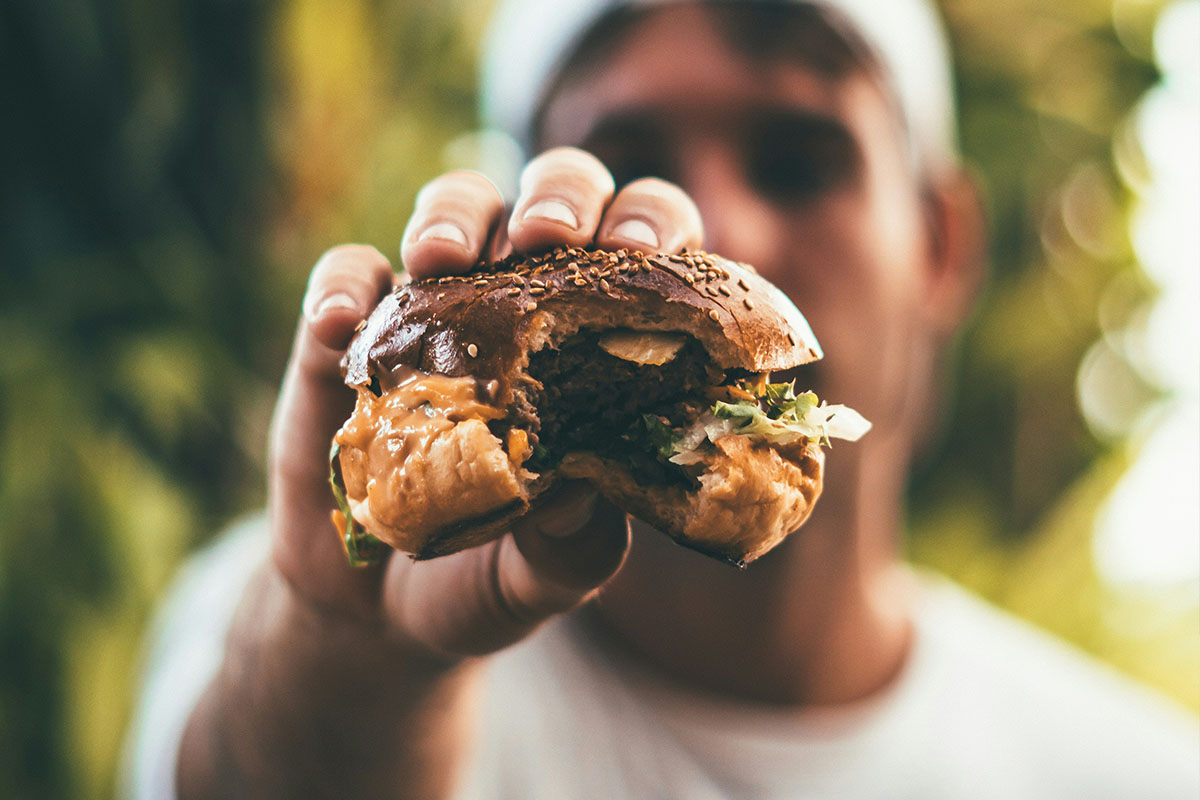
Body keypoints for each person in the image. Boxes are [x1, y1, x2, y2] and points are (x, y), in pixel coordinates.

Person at [123, 1, 1200, 798]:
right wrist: (347, 672)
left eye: (797, 161)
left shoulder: (1134, 773)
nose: (714, 227)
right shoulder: (271, 632)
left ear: (938, 246)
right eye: (621, 156)